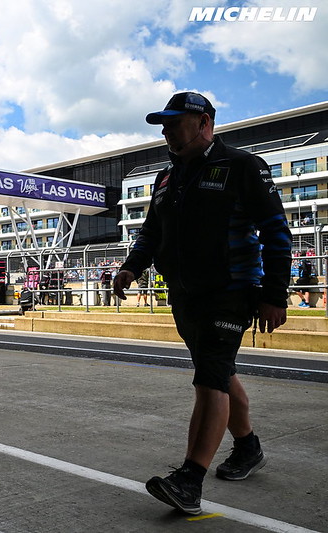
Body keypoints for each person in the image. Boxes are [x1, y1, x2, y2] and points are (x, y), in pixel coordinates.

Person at [113, 92, 292, 515]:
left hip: (230, 291)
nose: (166, 131)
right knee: (219, 372)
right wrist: (130, 268)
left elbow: (276, 232)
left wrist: (274, 294)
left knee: (209, 377)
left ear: (204, 123)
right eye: (164, 124)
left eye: (175, 122)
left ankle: (189, 480)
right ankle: (248, 447)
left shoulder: (243, 166)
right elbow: (150, 233)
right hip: (184, 294)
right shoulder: (165, 178)